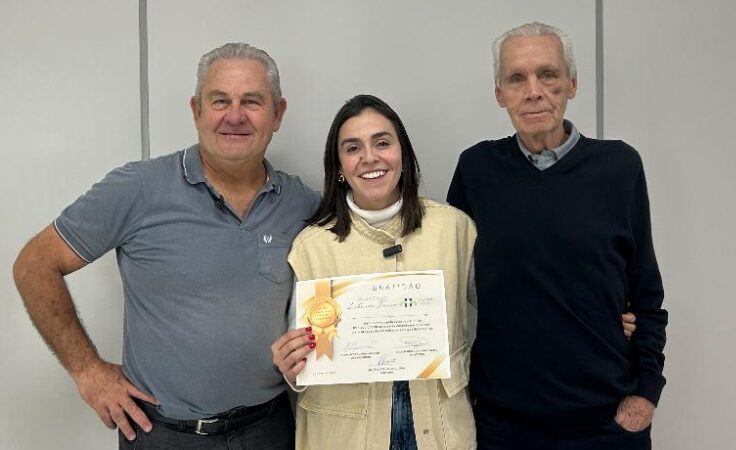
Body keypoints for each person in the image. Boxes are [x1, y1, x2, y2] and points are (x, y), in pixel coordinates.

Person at [12, 43, 318, 449]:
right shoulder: (138, 188)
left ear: (277, 114)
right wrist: (88, 371)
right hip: (163, 435)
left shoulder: (303, 205)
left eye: (252, 101)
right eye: (220, 101)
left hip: (268, 430)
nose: (235, 115)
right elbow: (34, 265)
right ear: (196, 111)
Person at [446, 22, 668, 449]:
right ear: (499, 93)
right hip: (504, 426)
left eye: (547, 74)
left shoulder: (619, 167)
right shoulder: (477, 170)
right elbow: (447, 281)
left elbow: (646, 292)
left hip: (605, 424)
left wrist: (646, 392)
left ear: (572, 84)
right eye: (517, 78)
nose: (533, 91)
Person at [271, 94, 478, 450]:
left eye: (382, 143)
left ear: (403, 155)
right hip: (343, 435)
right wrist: (292, 365)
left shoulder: (454, 229)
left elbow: (504, 319)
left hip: (441, 430)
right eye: (353, 148)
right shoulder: (311, 247)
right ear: (338, 166)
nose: (369, 157)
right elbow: (303, 360)